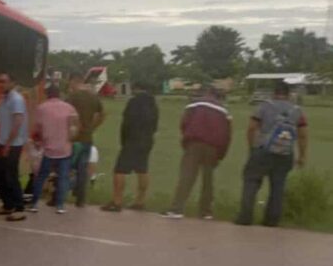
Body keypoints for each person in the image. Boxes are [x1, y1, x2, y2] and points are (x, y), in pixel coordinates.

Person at [235, 80, 308, 227]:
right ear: (288, 95)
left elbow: (251, 128)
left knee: (251, 182)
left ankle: (245, 217)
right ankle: (271, 221)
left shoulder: (264, 107)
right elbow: (303, 135)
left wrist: (252, 147)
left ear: (274, 93)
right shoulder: (297, 111)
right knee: (278, 187)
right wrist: (302, 155)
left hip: (262, 150)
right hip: (285, 153)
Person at [164, 86, 231, 219]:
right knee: (208, 179)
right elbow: (227, 135)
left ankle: (177, 209)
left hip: (194, 143)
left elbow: (184, 123)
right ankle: (206, 211)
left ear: (207, 92)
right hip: (213, 147)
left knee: (187, 176)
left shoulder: (194, 104)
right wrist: (221, 154)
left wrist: (186, 140)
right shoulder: (224, 111)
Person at [101, 82, 159, 212]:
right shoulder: (153, 103)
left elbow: (126, 123)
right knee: (142, 169)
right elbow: (155, 124)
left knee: (120, 170)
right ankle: (140, 201)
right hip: (147, 140)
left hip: (132, 139)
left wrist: (124, 140)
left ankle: (117, 201)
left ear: (135, 88)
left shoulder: (133, 102)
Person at [27, 84, 79, 214]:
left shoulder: (42, 108)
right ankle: (60, 205)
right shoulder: (69, 108)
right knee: (63, 177)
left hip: (48, 149)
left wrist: (38, 140)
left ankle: (34, 204)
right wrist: (70, 139)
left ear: (47, 94)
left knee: (41, 176)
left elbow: (37, 129)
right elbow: (74, 126)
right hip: (64, 148)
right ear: (59, 94)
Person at [0, 72, 28, 221]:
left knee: (11, 175)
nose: (0, 84)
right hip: (3, 142)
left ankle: (19, 207)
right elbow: (4, 123)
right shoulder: (3, 99)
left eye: (3, 81)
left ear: (12, 83)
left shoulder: (16, 99)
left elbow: (18, 122)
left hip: (13, 144)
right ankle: (8, 205)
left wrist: (7, 144)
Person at [67, 72, 105, 207]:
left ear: (73, 81)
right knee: (83, 169)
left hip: (74, 138)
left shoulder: (72, 97)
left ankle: (59, 195)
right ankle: (81, 199)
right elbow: (102, 114)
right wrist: (92, 127)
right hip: (87, 137)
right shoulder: (93, 97)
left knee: (66, 166)